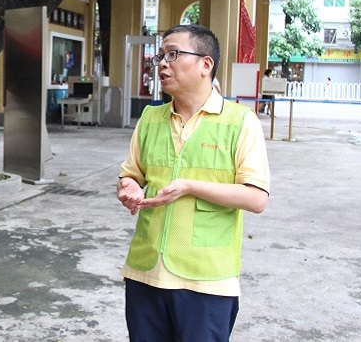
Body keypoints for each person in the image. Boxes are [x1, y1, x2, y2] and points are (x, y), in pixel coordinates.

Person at [116, 24, 270, 342]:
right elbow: (132, 173)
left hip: (206, 281)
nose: (162, 63)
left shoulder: (240, 122)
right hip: (145, 273)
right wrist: (128, 186)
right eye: (161, 55)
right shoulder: (149, 119)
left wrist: (190, 186)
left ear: (205, 64)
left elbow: (256, 198)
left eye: (173, 54)